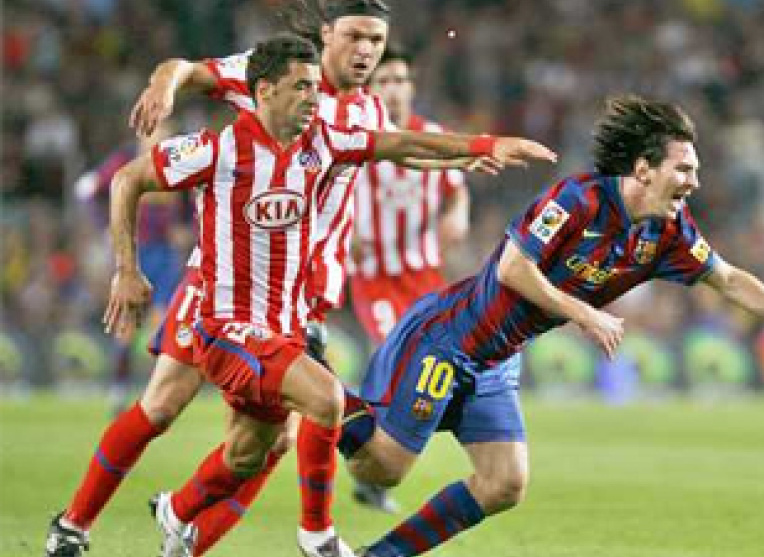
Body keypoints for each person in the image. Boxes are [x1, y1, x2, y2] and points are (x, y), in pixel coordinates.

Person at [336, 95, 764, 557]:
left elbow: (730, 279)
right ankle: (321, 394)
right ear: (643, 169)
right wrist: (585, 313)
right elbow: (512, 269)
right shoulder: (578, 200)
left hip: (497, 360)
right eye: (683, 170)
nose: (694, 182)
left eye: (695, 170)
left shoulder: (668, 233)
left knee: (505, 483)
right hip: (449, 339)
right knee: (381, 470)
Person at [43, 2, 473, 556]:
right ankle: (77, 523)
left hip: (301, 296)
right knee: (164, 406)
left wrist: (467, 158)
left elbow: (402, 152)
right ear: (328, 35)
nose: (366, 51)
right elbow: (187, 69)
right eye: (357, 37)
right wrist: (164, 85)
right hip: (225, 283)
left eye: (376, 40)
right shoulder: (271, 74)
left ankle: (184, 529)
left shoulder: (366, 112)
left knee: (267, 443)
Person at [346, 44, 472, 512]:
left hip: (423, 274)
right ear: (369, 90)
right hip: (374, 278)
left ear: (411, 87)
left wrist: (457, 215)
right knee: (399, 361)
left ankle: (372, 468)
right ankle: (366, 458)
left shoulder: (431, 136)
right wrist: (341, 236)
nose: (394, 89)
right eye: (384, 81)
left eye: (400, 80)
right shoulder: (353, 137)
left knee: (433, 370)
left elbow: (457, 190)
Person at [73, 124, 191, 416]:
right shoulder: (124, 160)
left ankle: (154, 397)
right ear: (142, 137)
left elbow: (191, 206)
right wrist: (106, 227)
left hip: (165, 256)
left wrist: (186, 229)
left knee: (162, 324)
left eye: (165, 136)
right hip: (134, 254)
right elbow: (86, 189)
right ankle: (118, 390)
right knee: (126, 328)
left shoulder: (178, 162)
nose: (160, 141)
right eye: (156, 135)